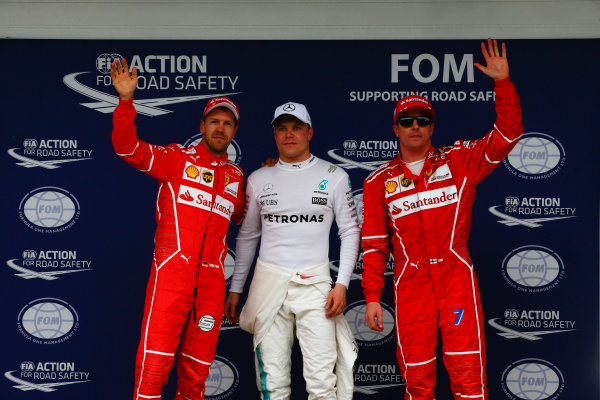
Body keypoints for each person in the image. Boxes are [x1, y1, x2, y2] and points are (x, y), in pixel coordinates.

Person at [361, 39, 522, 400]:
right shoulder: (377, 183)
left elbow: (508, 135)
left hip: (456, 281)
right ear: (396, 128)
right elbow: (373, 245)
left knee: (468, 380)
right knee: (417, 386)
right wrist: (372, 296)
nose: (415, 126)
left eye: (423, 120)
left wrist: (502, 84)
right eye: (407, 121)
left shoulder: (459, 161)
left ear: (432, 126)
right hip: (411, 288)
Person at [110, 58, 246, 400]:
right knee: (153, 369)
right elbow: (127, 148)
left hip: (212, 284)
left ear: (234, 131)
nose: (220, 128)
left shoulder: (237, 178)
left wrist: (274, 171)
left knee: (196, 374)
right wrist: (126, 102)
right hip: (172, 275)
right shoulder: (177, 159)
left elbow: (249, 220)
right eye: (214, 121)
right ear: (202, 125)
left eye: (227, 124)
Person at [224, 102, 360, 399]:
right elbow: (247, 236)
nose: (289, 134)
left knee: (322, 383)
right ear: (274, 135)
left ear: (310, 132)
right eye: (282, 128)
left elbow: (350, 231)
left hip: (317, 287)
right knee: (272, 384)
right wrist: (236, 288)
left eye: (296, 127)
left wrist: (342, 284)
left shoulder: (334, 175)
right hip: (268, 284)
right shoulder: (259, 179)